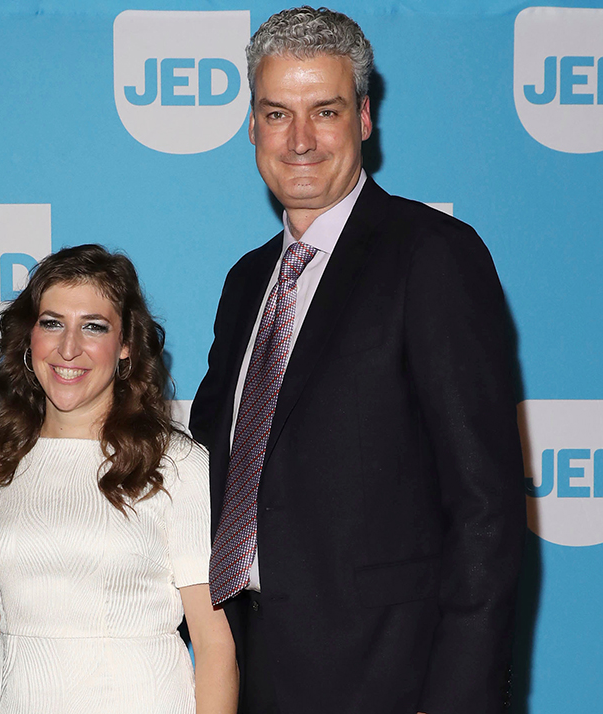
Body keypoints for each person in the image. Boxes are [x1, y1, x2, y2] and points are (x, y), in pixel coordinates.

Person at [189, 7, 526, 714]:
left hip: (393, 684)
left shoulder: (432, 255)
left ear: (364, 119)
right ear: (252, 126)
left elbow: (485, 508)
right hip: (256, 675)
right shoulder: (247, 281)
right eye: (277, 113)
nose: (300, 139)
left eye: (326, 111)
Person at [0, 244, 237, 713]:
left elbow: (214, 647)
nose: (68, 348)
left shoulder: (176, 463)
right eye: (52, 323)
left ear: (127, 344)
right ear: (29, 337)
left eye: (94, 326)